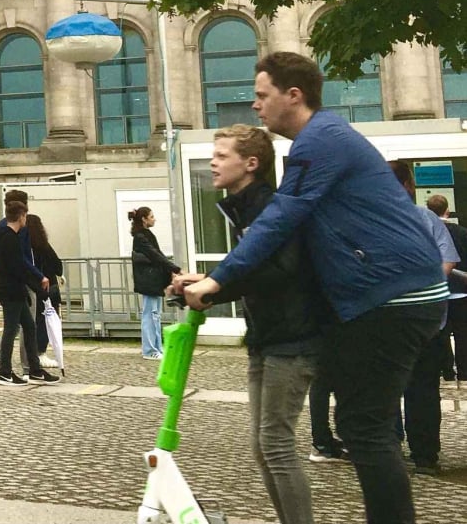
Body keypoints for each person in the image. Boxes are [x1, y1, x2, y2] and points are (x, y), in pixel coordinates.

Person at [181, 52, 446, 524]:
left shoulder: (319, 141)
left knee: (364, 427)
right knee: (367, 425)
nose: (256, 106)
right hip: (392, 295)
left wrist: (217, 279)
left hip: (391, 297)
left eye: (263, 95)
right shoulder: (323, 140)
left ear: (293, 95)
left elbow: (282, 219)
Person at [176, 123, 326, 524]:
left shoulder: (269, 208)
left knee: (276, 445)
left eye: (222, 155)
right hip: (267, 337)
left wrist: (215, 286)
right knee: (264, 447)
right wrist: (208, 287)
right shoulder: (246, 207)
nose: (213, 161)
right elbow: (254, 271)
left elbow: (282, 271)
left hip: (293, 339)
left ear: (252, 163)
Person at [391, 162, 458, 477]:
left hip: (398, 319)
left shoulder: (422, 218)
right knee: (420, 388)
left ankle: (402, 448)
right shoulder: (426, 218)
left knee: (395, 386)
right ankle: (423, 454)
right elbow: (448, 261)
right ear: (407, 184)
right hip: (422, 318)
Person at [0, 201, 57, 386]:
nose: (26, 219)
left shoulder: (9, 235)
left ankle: (34, 370)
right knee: (11, 329)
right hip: (10, 289)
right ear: (20, 216)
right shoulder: (8, 237)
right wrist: (37, 279)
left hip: (14, 288)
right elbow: (18, 264)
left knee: (29, 326)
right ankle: (4, 372)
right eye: (25, 216)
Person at [426, 193, 467, 381]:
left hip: (438, 290)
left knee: (441, 334)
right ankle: (465, 371)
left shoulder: (426, 232)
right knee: (462, 333)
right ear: (447, 210)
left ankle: (447, 371)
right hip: (461, 291)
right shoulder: (462, 232)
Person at [129, 206, 179, 359]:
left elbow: (157, 255)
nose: (154, 219)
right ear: (144, 219)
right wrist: (174, 268)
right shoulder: (141, 237)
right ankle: (150, 350)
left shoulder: (145, 235)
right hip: (149, 280)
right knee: (150, 315)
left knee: (154, 314)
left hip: (152, 280)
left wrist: (170, 269)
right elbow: (155, 255)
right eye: (151, 216)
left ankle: (156, 348)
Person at [25, 213, 63, 365]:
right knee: (48, 320)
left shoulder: (27, 246)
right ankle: (41, 351)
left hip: (34, 286)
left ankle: (35, 352)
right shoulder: (44, 245)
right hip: (49, 286)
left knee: (36, 320)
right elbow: (57, 265)